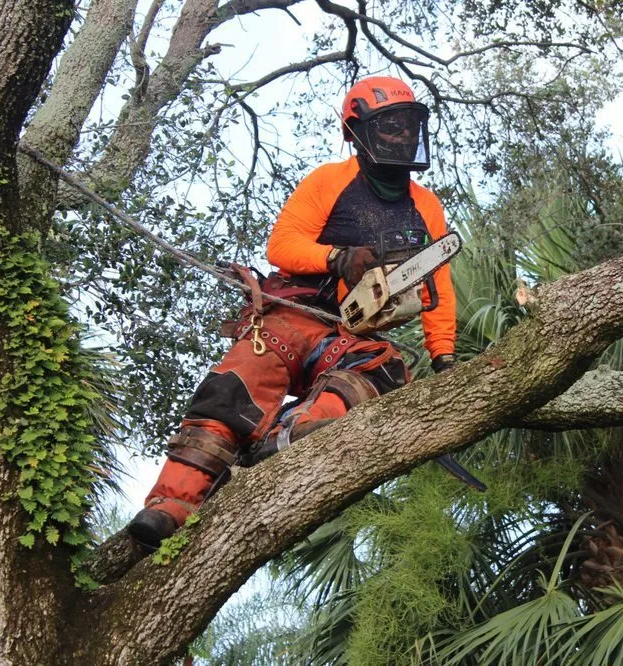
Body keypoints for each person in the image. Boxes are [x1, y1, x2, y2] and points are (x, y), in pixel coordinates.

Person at [126, 76, 457, 550]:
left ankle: (293, 435)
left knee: (381, 371)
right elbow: (281, 244)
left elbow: (436, 285)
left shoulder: (426, 206)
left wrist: (442, 353)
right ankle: (170, 505)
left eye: (408, 125)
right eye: (390, 127)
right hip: (295, 313)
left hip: (351, 331)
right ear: (357, 131)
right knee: (238, 383)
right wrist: (334, 257)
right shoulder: (329, 181)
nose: (402, 136)